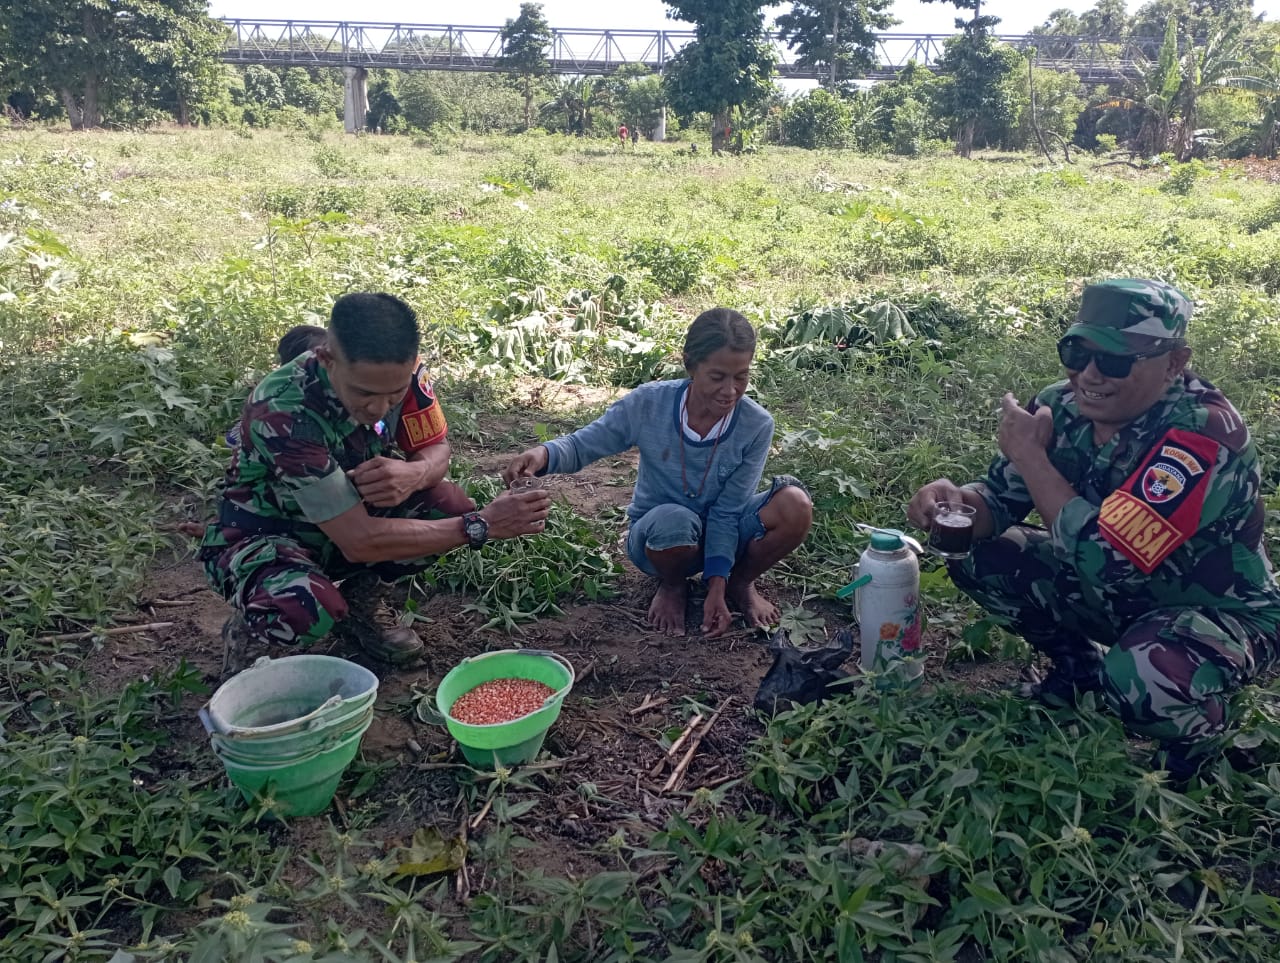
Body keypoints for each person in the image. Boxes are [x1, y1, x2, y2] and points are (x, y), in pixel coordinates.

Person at [907, 279, 1280, 780]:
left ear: (1173, 363)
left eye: (1114, 361)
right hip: (1121, 596)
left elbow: (1111, 561)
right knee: (981, 552)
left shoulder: (1200, 434)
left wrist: (1033, 457)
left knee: (1139, 673)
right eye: (1076, 352)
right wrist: (956, 505)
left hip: (1218, 614)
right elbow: (1001, 500)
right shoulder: (1061, 406)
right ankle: (1077, 673)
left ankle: (1201, 743)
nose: (1088, 374)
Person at [201, 293, 551, 671]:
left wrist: (414, 473)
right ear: (327, 359)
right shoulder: (284, 409)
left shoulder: (406, 373)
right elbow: (359, 540)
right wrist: (481, 526)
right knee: (301, 604)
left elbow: (436, 450)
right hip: (268, 534)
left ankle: (360, 609)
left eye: (393, 395)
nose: (379, 408)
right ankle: (249, 640)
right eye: (364, 393)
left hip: (350, 514)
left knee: (445, 504)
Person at [503, 308, 813, 638]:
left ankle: (740, 583)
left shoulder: (756, 424)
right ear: (690, 365)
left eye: (741, 376)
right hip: (659, 539)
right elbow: (585, 444)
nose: (731, 391)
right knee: (674, 521)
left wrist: (717, 585)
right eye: (717, 377)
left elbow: (728, 511)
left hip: (723, 531)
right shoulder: (650, 404)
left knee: (794, 505)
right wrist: (542, 454)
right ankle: (673, 586)